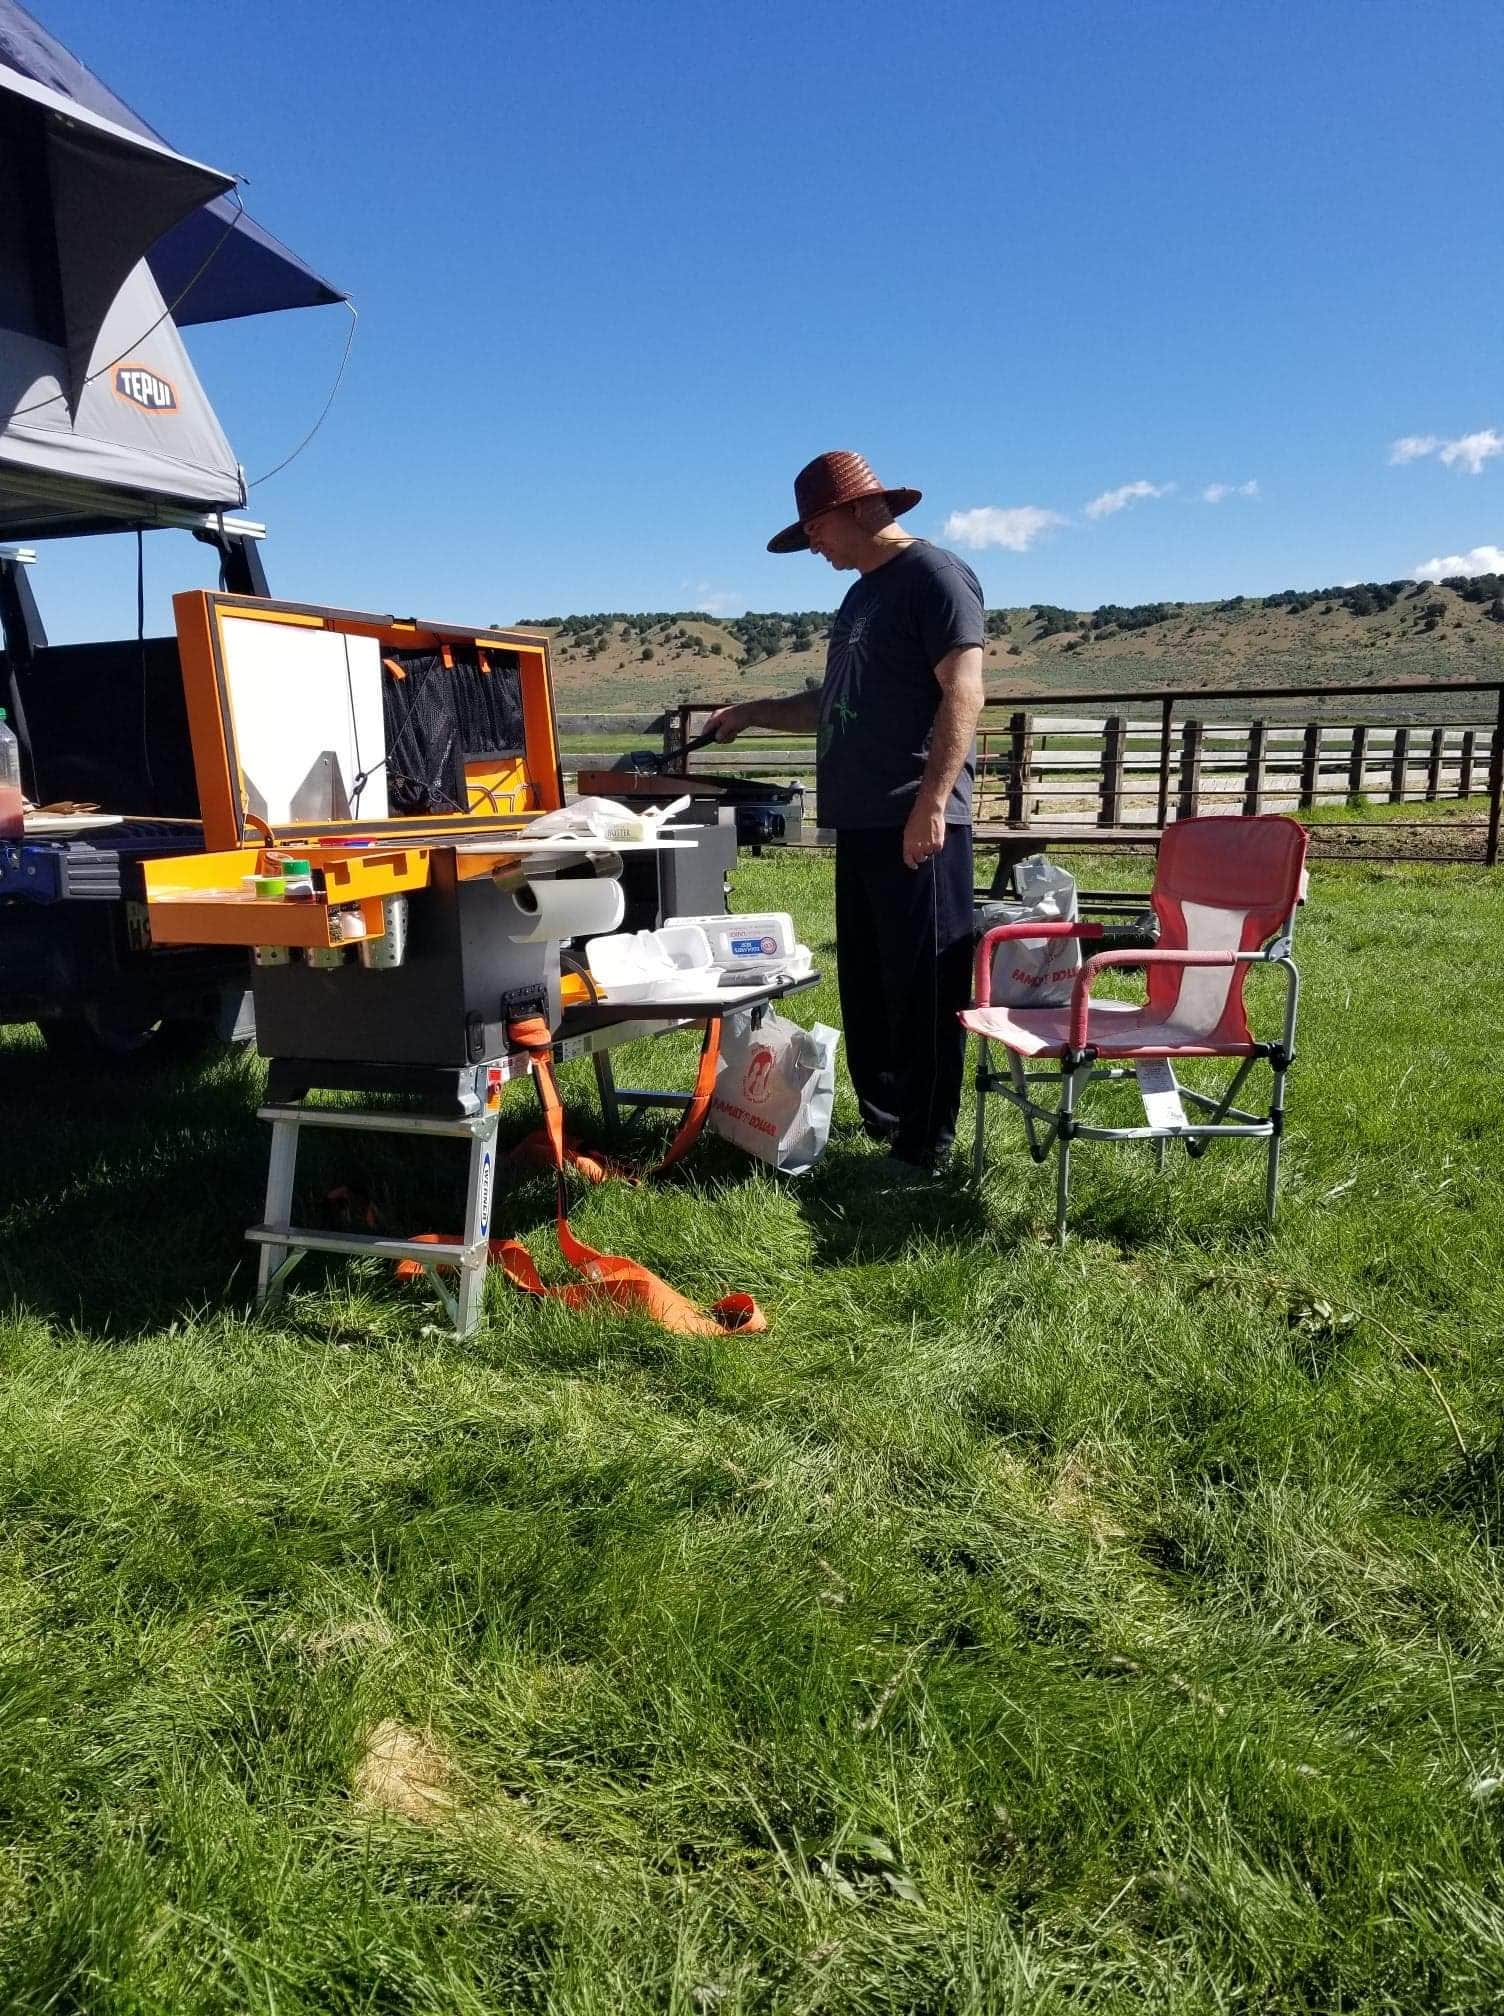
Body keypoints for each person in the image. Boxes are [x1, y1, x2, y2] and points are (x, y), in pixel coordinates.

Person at [706, 451, 985, 1173]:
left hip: (914, 818)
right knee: (870, 979)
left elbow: (964, 693)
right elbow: (832, 705)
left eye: (817, 529)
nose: (815, 546)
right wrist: (749, 712)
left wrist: (931, 804)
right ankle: (885, 1118)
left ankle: (927, 1142)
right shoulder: (861, 598)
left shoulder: (935, 578)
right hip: (860, 819)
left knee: (925, 982)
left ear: (860, 510)